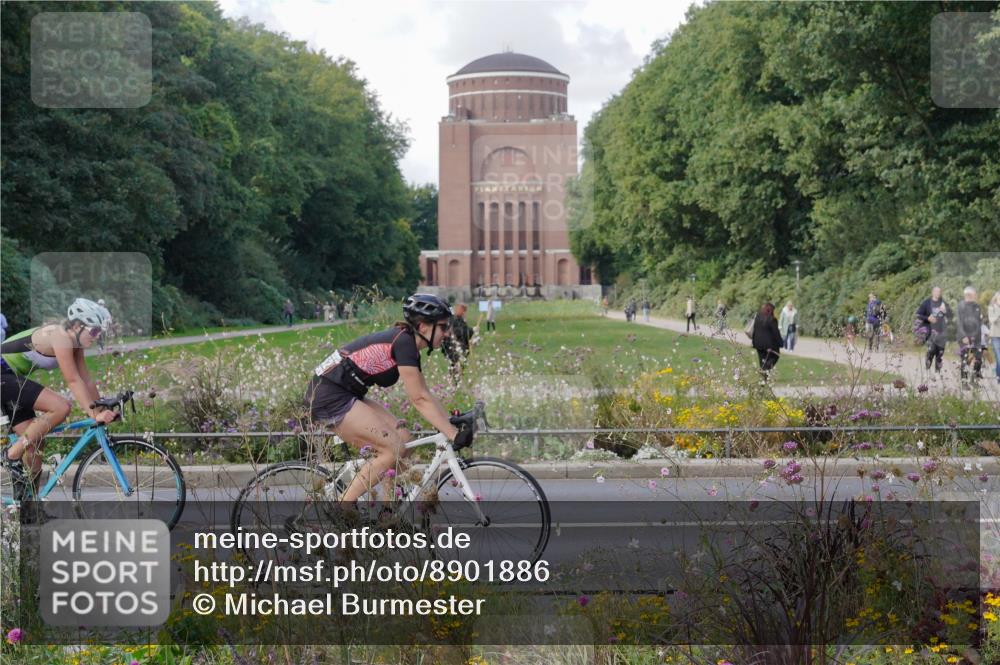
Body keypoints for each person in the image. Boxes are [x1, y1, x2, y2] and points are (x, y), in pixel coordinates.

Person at [305, 294, 467, 505]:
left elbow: (424, 393)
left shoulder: (406, 343)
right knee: (392, 450)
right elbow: (418, 399)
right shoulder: (404, 343)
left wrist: (449, 421)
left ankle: (388, 508)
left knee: (404, 439)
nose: (447, 333)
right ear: (423, 326)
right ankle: (343, 506)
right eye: (443, 327)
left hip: (345, 391)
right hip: (329, 395)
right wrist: (453, 434)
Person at [1, 298, 117, 502]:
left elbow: (86, 380)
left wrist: (100, 409)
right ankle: (11, 455)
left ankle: (29, 508)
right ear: (78, 325)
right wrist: (93, 413)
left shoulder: (76, 343)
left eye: (99, 332)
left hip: (12, 378)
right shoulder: (60, 336)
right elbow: (72, 380)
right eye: (94, 331)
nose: (97, 336)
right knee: (61, 407)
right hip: (3, 374)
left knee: (35, 445)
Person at [915, 286, 950, 373]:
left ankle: (937, 372)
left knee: (940, 352)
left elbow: (950, 316)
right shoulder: (926, 303)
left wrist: (946, 312)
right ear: (933, 292)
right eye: (936, 292)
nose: (938, 293)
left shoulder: (943, 303)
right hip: (930, 330)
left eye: (939, 292)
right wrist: (928, 318)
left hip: (941, 330)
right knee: (932, 350)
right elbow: (918, 314)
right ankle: (927, 368)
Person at [955, 286, 984, 383]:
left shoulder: (977, 306)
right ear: (968, 295)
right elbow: (959, 322)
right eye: (974, 295)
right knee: (965, 359)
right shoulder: (961, 306)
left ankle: (974, 380)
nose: (975, 296)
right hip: (964, 337)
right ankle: (964, 381)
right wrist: (964, 336)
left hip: (976, 337)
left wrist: (978, 336)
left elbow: (979, 322)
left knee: (979, 358)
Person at [751, 302, 783, 379]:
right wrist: (781, 343)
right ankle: (765, 370)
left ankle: (764, 378)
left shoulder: (757, 317)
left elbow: (754, 330)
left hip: (758, 343)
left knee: (762, 360)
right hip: (769, 345)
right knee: (775, 356)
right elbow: (776, 333)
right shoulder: (772, 320)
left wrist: (754, 341)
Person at [443, 303, 472, 375]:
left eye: (462, 310)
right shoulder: (452, 319)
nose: (457, 310)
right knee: (455, 363)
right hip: (452, 346)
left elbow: (465, 333)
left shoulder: (461, 320)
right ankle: (455, 377)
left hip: (460, 346)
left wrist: (471, 330)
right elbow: (458, 332)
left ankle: (457, 376)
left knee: (460, 363)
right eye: (457, 308)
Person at [989, 291, 1000, 384]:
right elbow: (992, 320)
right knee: (999, 358)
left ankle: (998, 377)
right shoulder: (991, 308)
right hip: (995, 336)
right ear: (996, 299)